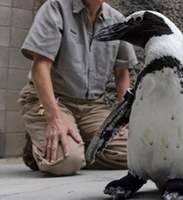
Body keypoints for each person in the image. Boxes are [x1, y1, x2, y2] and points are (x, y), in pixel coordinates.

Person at [18, 0, 138, 176]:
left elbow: (122, 73)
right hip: (53, 100)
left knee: (133, 154)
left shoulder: (117, 20)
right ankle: (40, 147)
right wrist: (54, 119)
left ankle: (76, 146)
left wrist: (123, 114)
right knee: (65, 162)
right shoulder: (56, 7)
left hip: (93, 107)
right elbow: (40, 66)